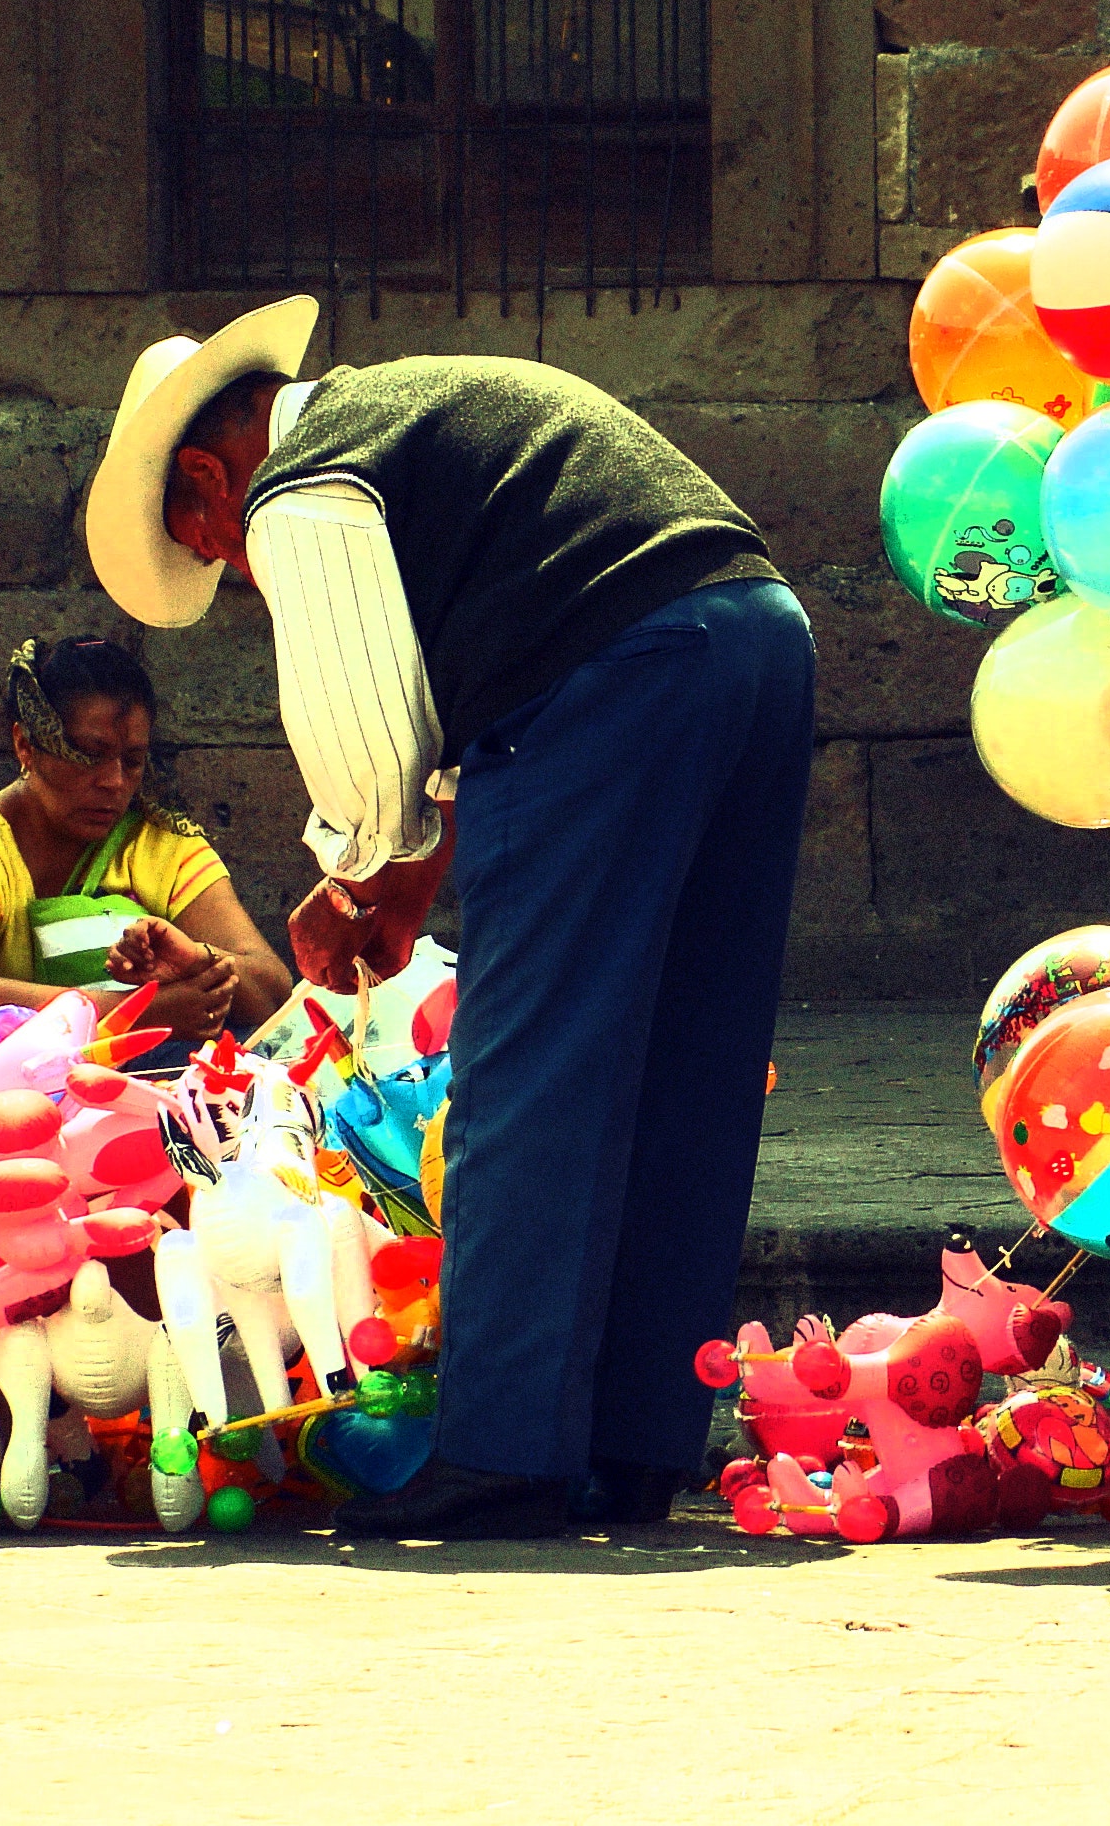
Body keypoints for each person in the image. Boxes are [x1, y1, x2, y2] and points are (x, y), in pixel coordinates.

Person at [84, 296, 814, 1540]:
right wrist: (413, 870)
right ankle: (636, 1442)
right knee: (688, 1063)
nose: (234, 566)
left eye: (207, 543)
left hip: (616, 676)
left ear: (211, 475)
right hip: (751, 639)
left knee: (527, 1075)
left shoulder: (301, 484)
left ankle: (505, 1450)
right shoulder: (419, 419)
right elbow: (485, 694)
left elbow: (365, 735)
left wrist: (357, 868)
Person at [0, 635, 292, 1085]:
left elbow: (272, 989)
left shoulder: (161, 845)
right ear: (26, 746)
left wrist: (201, 962)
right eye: (88, 756)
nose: (113, 781)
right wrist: (136, 1015)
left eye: (132, 760)